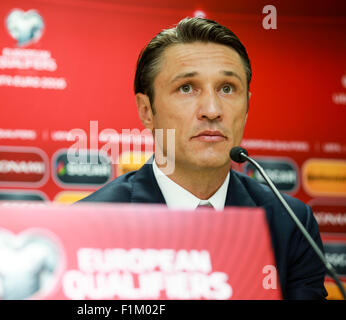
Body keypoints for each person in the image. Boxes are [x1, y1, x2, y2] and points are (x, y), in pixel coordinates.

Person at [79, 17, 327, 300]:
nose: (212, 110)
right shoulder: (89, 224)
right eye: (187, 88)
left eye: (227, 88)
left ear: (247, 106)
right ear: (147, 110)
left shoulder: (291, 222)